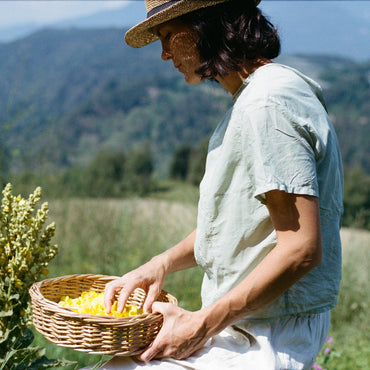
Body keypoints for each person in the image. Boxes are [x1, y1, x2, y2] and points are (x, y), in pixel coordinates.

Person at [100, 0, 344, 369]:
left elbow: (301, 248)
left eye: (168, 36)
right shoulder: (258, 95)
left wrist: (201, 324)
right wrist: (160, 263)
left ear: (206, 26)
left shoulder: (267, 103)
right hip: (251, 324)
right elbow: (235, 224)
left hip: (269, 335)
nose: (165, 54)